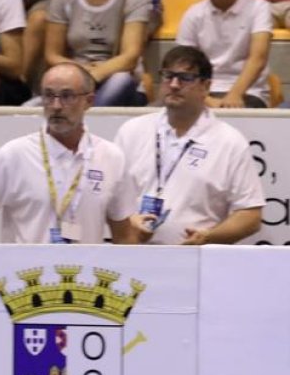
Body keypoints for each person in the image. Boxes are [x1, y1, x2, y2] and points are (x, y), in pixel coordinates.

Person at [0, 63, 148, 244]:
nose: (55, 106)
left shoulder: (111, 157)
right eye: (48, 95)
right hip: (27, 277)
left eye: (67, 96)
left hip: (84, 279)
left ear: (88, 101)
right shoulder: (15, 154)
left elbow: (123, 233)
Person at [113, 46, 265, 245]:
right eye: (168, 76)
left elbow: (250, 215)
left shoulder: (230, 142)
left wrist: (209, 237)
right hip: (132, 258)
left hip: (198, 261)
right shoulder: (132, 131)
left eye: (185, 78)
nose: (174, 84)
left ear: (206, 86)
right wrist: (129, 221)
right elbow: (109, 195)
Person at [175, 0, 272, 108]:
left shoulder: (259, 8)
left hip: (247, 92)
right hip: (202, 93)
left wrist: (234, 95)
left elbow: (258, 58)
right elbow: (183, 65)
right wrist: (205, 99)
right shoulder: (193, 14)